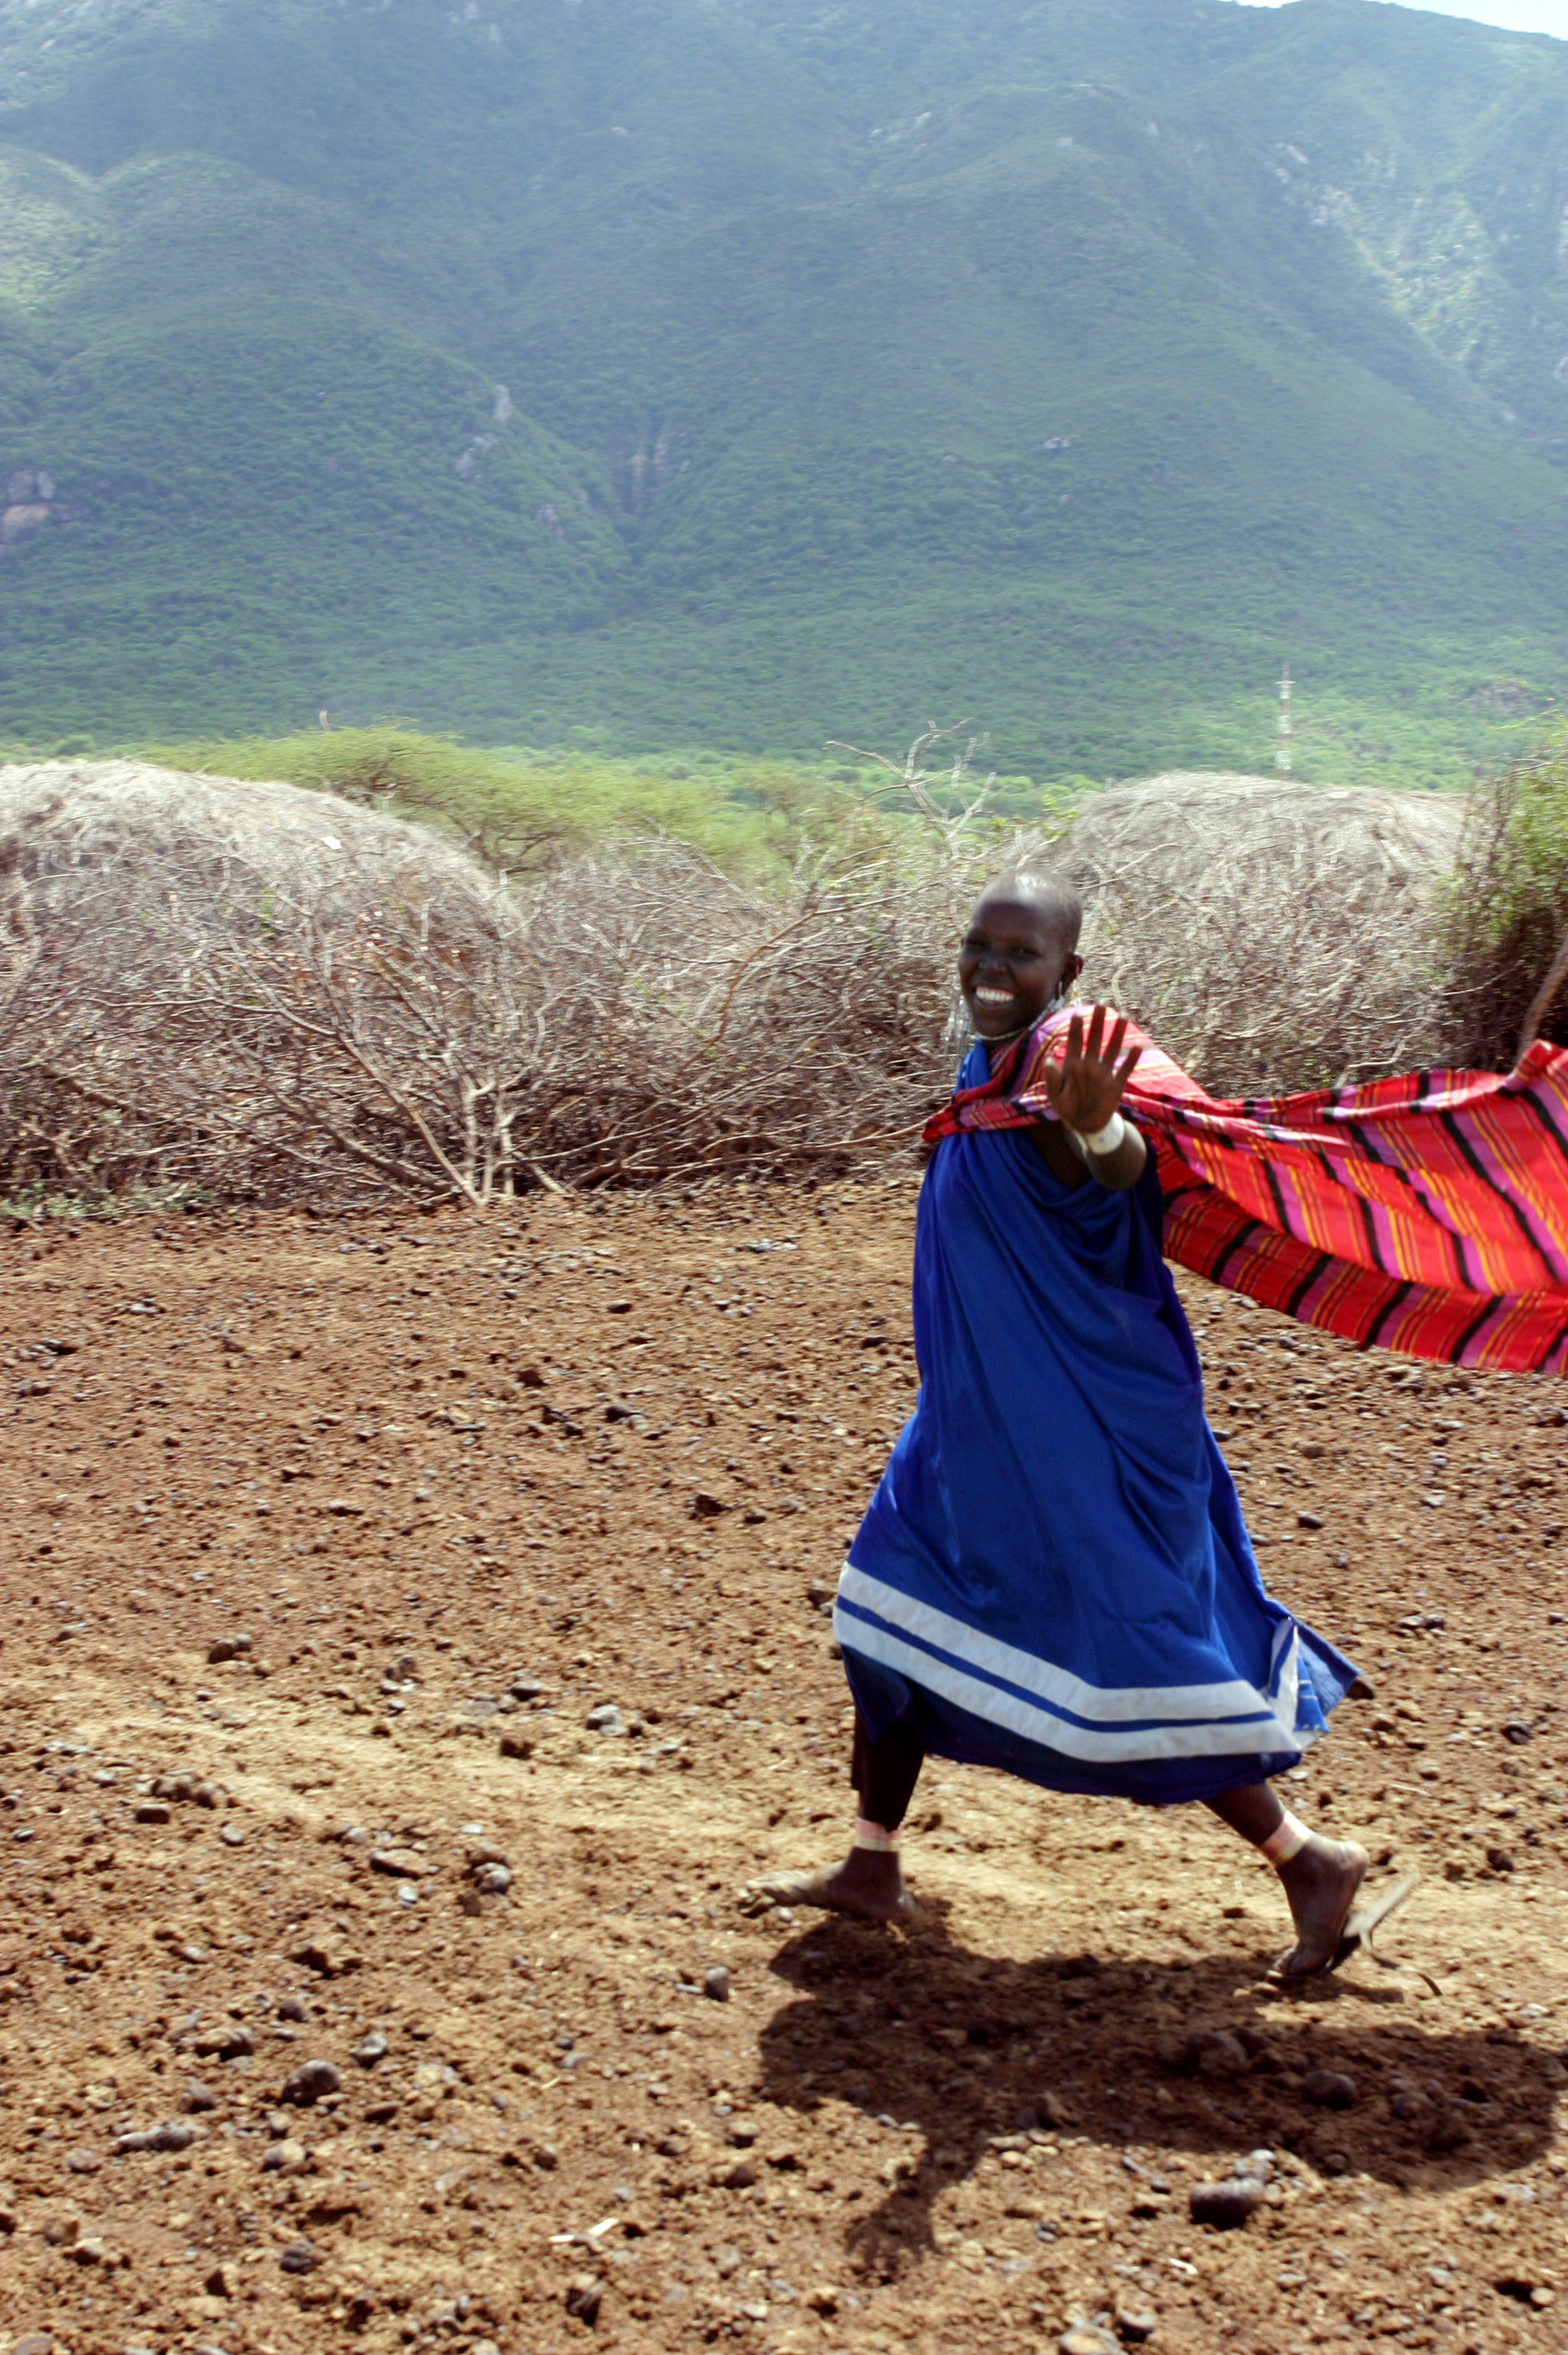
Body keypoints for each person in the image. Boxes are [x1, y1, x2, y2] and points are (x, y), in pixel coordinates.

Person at [753, 872, 1372, 1975]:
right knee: (883, 1612)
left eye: (1020, 955)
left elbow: (1115, 1156)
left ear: (1067, 973)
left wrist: (1097, 1133)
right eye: (979, 946)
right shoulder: (986, 1058)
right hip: (974, 1414)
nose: (993, 970)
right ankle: (870, 1863)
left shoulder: (1064, 1063)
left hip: (1068, 1421)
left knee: (1122, 1643)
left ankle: (1308, 1860)